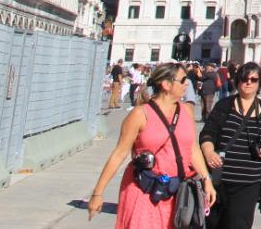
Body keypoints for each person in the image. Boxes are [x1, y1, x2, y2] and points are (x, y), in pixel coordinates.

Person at [88, 62, 217, 225]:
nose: (187, 83)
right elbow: (119, 153)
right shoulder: (140, 114)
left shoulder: (186, 111)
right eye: (183, 79)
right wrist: (98, 193)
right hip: (143, 190)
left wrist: (206, 180)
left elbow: (192, 149)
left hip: (176, 193)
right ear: (166, 84)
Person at [199, 62, 261, 229]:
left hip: (248, 182)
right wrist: (208, 153)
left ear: (259, 83)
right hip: (219, 180)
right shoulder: (224, 105)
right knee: (213, 224)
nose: (248, 82)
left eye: (254, 79)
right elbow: (208, 133)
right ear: (237, 81)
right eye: (244, 78)